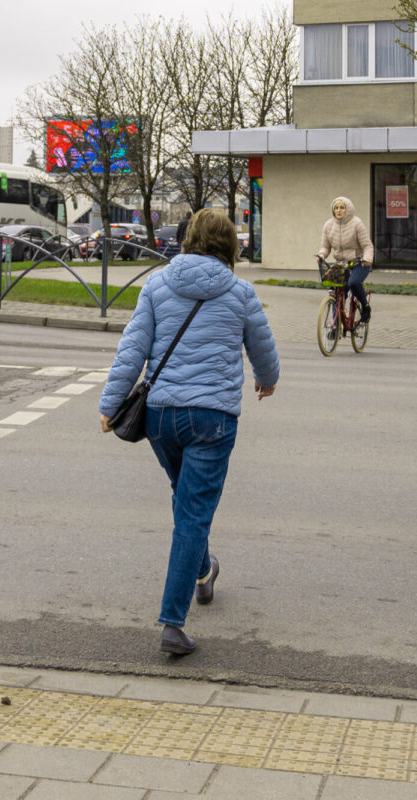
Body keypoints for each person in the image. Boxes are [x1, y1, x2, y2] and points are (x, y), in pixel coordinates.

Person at [98, 208, 279, 657]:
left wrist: (108, 405)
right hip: (211, 421)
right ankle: (172, 623)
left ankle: (204, 573)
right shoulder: (240, 291)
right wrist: (267, 379)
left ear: (189, 239)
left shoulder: (158, 284)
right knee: (194, 513)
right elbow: (263, 348)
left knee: (185, 500)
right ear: (230, 245)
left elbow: (132, 348)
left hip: (160, 416)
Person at [316, 196, 374, 324]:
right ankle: (335, 326)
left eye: (342, 207)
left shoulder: (357, 224)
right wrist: (321, 255)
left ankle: (365, 307)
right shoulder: (328, 225)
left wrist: (367, 259)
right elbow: (325, 246)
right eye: (336, 208)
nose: (338, 210)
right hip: (342, 264)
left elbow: (367, 246)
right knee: (335, 292)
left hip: (359, 262)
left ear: (348, 209)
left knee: (353, 283)